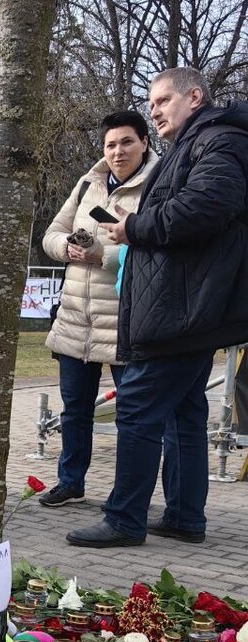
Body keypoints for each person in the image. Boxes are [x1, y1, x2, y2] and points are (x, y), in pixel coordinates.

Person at [67, 67, 248, 548]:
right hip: (188, 307)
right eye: (152, 102)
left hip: (182, 308)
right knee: (186, 413)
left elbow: (207, 207)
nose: (155, 109)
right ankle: (186, 517)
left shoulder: (218, 141)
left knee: (139, 411)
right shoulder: (199, 143)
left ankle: (124, 518)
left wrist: (136, 227)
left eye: (163, 100)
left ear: (195, 96)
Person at [39, 111, 158, 507]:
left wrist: (102, 256)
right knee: (75, 411)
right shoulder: (88, 182)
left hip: (127, 321)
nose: (118, 151)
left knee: (133, 418)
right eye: (110, 144)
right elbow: (51, 234)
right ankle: (70, 481)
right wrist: (67, 249)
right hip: (76, 320)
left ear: (144, 141)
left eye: (126, 142)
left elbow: (156, 247)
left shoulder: (159, 182)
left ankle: (124, 496)